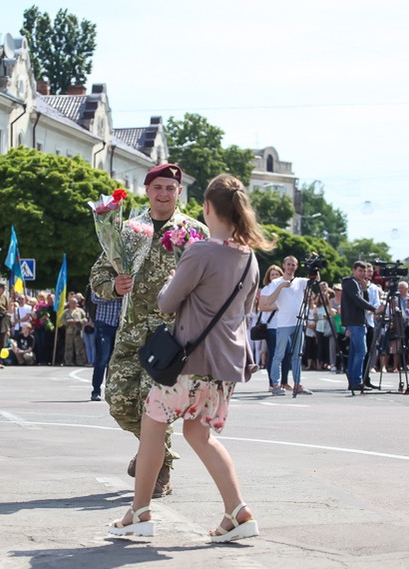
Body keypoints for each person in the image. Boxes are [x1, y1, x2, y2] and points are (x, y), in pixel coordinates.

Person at [109, 173, 270, 543]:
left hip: (190, 361)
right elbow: (246, 308)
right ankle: (237, 511)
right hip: (225, 365)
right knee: (199, 433)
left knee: (153, 425)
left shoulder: (200, 251)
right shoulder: (249, 258)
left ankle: (139, 512)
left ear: (207, 207)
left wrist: (175, 277)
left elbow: (167, 302)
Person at [90, 162, 208, 499]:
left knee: (154, 404)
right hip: (131, 332)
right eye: (158, 187)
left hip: (172, 335)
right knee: (117, 400)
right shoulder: (129, 230)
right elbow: (97, 276)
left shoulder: (194, 232)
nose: (164, 194)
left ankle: (159, 469)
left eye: (170, 188)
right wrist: (114, 285)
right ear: (147, 191)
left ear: (179, 192)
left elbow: (210, 281)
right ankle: (151, 451)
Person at [259, 256, 312, 396]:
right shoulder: (276, 282)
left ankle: (297, 384)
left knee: (297, 356)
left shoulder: (300, 281)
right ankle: (275, 384)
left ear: (296, 266)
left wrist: (315, 267)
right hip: (283, 324)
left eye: (293, 265)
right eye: (288, 264)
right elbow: (269, 301)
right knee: (279, 355)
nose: (290, 267)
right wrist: (281, 286)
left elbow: (315, 281)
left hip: (298, 323)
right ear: (283, 265)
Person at [339, 260, 377, 392]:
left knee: (355, 352)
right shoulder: (350, 282)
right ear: (353, 270)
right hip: (355, 321)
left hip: (359, 321)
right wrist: (374, 309)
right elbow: (358, 300)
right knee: (361, 351)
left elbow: (363, 300)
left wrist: (365, 289)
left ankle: (354, 381)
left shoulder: (358, 284)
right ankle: (356, 380)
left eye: (364, 271)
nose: (362, 273)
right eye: (360, 270)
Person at [90, 292, 121, 401]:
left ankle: (110, 391)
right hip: (104, 323)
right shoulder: (102, 280)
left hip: (120, 325)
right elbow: (94, 298)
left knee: (115, 360)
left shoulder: (127, 281)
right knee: (102, 359)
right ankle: (96, 391)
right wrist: (114, 292)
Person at [61, 295, 87, 366]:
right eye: (71, 303)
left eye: (74, 303)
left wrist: (79, 321)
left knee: (79, 347)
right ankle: (68, 361)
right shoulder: (66, 311)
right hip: (69, 332)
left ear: (76, 303)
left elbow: (85, 319)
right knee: (68, 347)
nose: (72, 304)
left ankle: (80, 361)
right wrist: (67, 322)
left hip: (78, 331)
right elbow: (62, 320)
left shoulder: (80, 311)